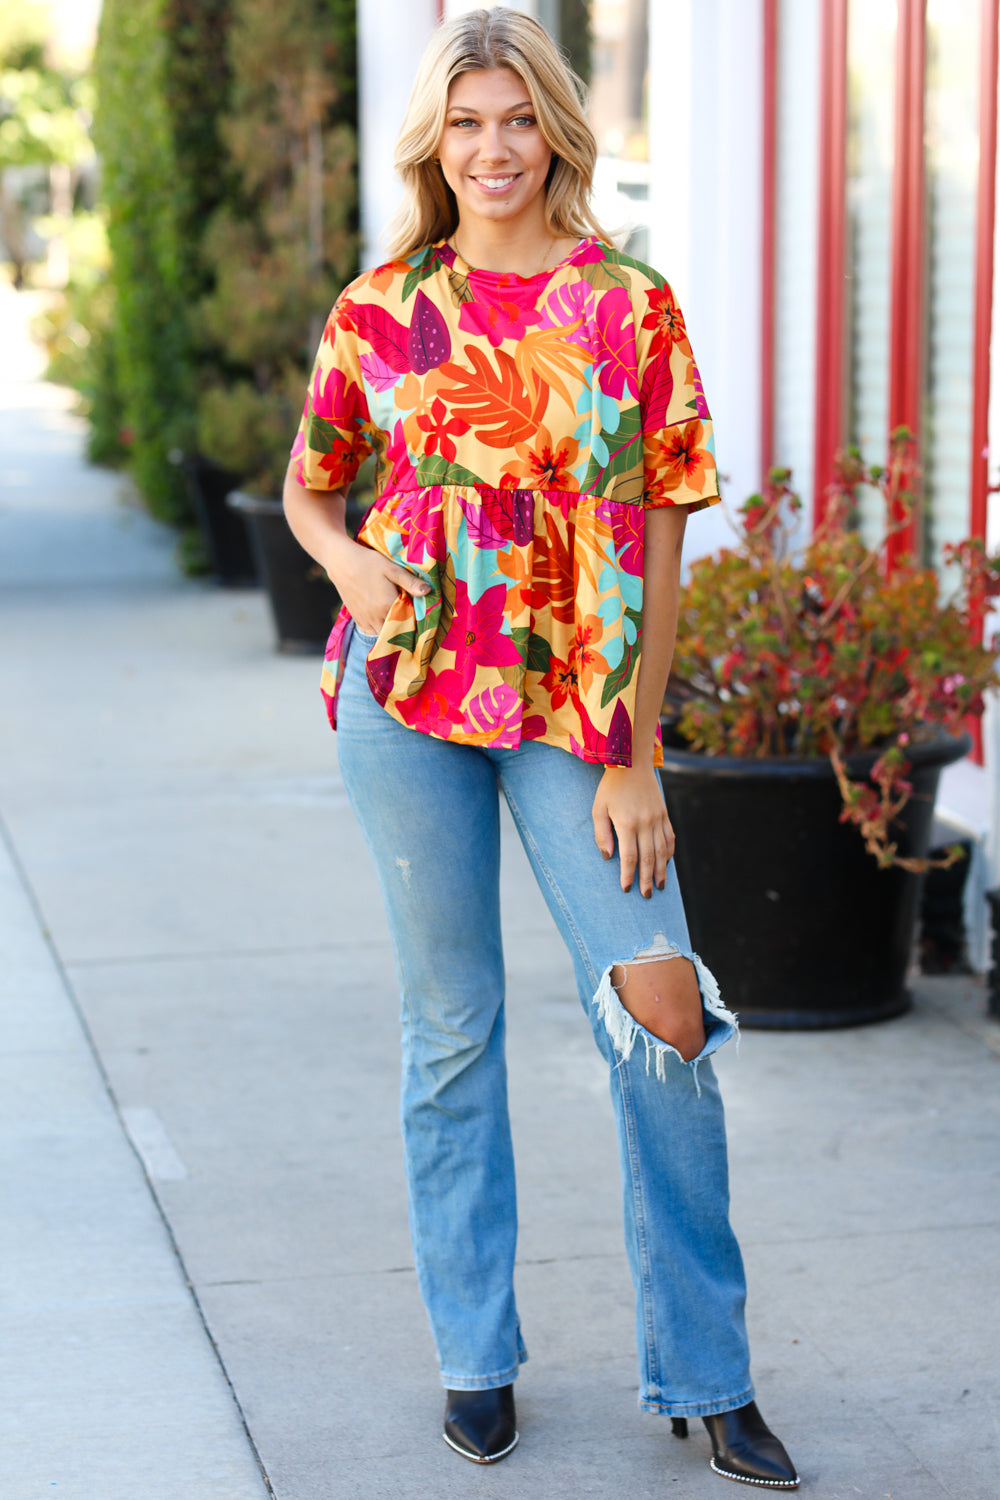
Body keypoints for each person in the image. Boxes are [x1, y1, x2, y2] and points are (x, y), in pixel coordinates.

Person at [283, 7, 799, 1489]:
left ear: (557, 133)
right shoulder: (380, 309)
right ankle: (475, 1357)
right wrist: (349, 567)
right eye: (466, 123)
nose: (493, 148)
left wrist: (639, 751)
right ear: (435, 146)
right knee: (450, 1034)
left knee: (661, 1018)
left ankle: (710, 1373)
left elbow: (662, 548)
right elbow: (312, 491)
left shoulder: (630, 308)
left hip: (576, 719)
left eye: (517, 119)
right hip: (403, 706)